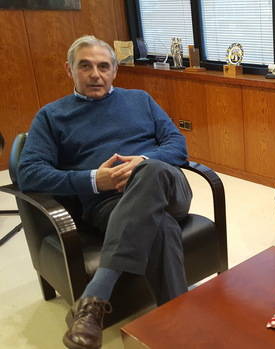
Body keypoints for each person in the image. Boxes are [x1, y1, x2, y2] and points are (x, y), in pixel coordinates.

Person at [18, 35, 192, 349]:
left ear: (114, 71)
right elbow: (29, 173)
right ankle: (177, 324)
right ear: (69, 69)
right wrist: (95, 180)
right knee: (161, 227)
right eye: (85, 66)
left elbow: (177, 145)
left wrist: (144, 160)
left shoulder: (140, 99)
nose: (95, 74)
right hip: (108, 204)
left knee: (149, 170)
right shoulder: (51, 117)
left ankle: (94, 298)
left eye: (103, 66)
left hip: (168, 188)